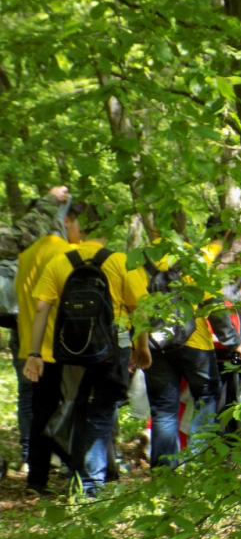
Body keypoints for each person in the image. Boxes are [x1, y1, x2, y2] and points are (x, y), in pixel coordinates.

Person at [22, 203, 152, 496]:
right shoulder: (121, 261)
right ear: (108, 230)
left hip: (71, 351)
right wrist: (142, 347)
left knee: (78, 408)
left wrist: (34, 353)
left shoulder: (60, 262)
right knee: (101, 412)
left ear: (79, 227)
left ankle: (79, 477)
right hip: (111, 350)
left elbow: (42, 308)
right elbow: (140, 308)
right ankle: (90, 486)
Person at [143, 216, 241, 468]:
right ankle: (195, 462)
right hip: (194, 340)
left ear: (153, 226)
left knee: (164, 409)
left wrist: (137, 344)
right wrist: (233, 341)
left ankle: (164, 473)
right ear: (181, 225)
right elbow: (211, 302)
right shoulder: (190, 257)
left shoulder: (139, 258)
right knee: (207, 395)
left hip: (154, 341)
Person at [13, 199, 83, 474]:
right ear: (65, 221)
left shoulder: (24, 255)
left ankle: (37, 477)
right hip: (61, 346)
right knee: (70, 409)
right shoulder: (69, 254)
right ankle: (73, 467)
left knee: (39, 411)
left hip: (29, 345)